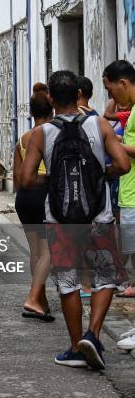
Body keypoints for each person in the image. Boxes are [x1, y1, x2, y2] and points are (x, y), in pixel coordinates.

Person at [21, 70, 130, 369]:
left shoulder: (41, 134)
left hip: (60, 219)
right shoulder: (99, 124)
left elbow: (26, 179)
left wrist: (53, 179)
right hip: (100, 215)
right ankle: (93, 334)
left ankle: (75, 347)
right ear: (79, 96)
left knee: (68, 282)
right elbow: (122, 164)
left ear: (52, 99)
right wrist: (100, 173)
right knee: (106, 278)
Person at [13, 83, 54, 322]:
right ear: (53, 111)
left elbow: (17, 177)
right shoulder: (51, 134)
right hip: (44, 196)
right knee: (49, 252)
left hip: (25, 199)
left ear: (31, 112)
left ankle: (42, 300)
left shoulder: (23, 138)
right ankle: (33, 297)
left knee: (35, 253)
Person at [103, 60, 135, 301]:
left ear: (123, 83)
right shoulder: (131, 109)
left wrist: (116, 145)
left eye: (110, 89)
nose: (110, 95)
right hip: (128, 189)